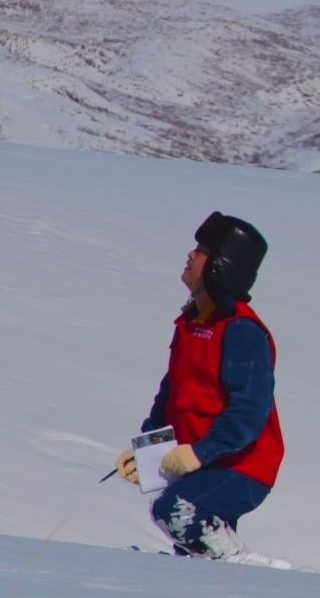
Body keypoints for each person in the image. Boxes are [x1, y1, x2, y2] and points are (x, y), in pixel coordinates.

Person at [114, 211, 284, 559]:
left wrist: (200, 452)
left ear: (222, 264)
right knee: (191, 554)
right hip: (203, 465)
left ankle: (239, 568)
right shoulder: (191, 324)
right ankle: (219, 589)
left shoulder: (241, 331)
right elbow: (171, 395)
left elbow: (250, 412)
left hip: (241, 469)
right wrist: (147, 452)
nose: (191, 254)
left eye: (202, 249)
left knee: (174, 511)